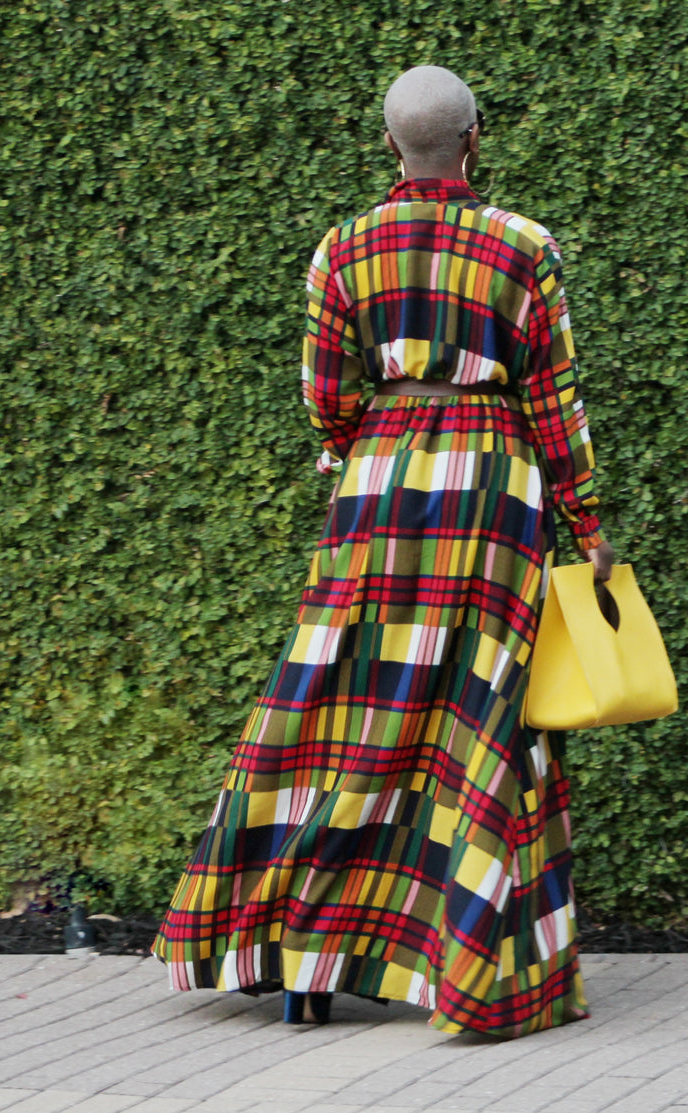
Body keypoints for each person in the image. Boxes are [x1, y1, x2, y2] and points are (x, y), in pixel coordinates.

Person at [152, 65, 613, 1039]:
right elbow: (551, 403)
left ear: (388, 147)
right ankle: (478, 971)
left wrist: (363, 449)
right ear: (475, 141)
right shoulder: (524, 247)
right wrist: (588, 523)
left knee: (344, 715)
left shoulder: (343, 248)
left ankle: (304, 968)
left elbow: (326, 394)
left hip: (376, 495)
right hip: (493, 502)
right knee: (479, 728)